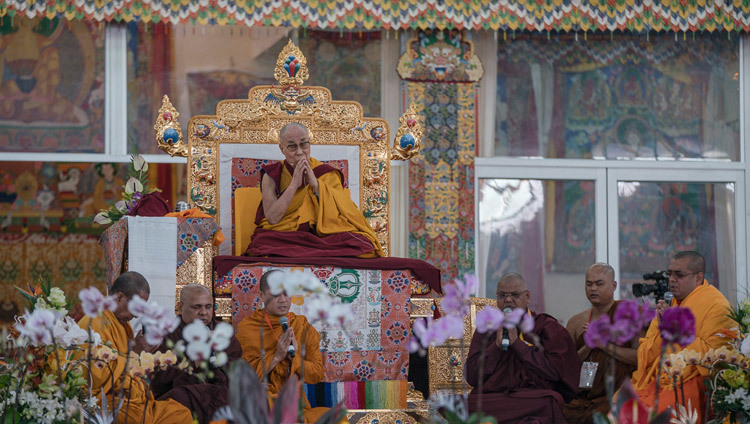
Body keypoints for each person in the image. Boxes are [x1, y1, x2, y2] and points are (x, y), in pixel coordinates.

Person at [245, 122, 384, 258]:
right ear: (282, 149)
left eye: (304, 145)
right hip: (288, 235)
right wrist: (294, 185)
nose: (299, 152)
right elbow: (272, 218)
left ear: (309, 144)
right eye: (292, 147)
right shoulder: (271, 176)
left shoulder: (326, 174)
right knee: (261, 241)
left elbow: (345, 213)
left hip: (321, 234)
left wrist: (316, 186)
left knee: (363, 244)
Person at [630, 251, 735, 423]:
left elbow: (716, 357)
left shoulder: (716, 306)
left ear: (698, 278)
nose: (672, 279)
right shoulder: (668, 305)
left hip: (693, 381)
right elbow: (645, 354)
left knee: (656, 413)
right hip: (660, 380)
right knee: (621, 404)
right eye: (669, 273)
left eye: (679, 275)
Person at [78, 272, 193, 424]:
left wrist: (143, 357)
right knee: (139, 419)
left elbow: (128, 367)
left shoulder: (122, 324)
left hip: (129, 398)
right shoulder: (96, 321)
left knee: (179, 412)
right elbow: (96, 375)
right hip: (103, 400)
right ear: (119, 297)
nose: (137, 315)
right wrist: (134, 353)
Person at [465, 272, 580, 424]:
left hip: (530, 399)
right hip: (494, 399)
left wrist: (518, 345)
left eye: (514, 295)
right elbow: (472, 376)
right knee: (463, 405)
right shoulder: (487, 329)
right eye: (502, 295)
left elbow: (555, 372)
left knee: (548, 402)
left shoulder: (545, 327)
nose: (508, 300)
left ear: (528, 297)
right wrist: (496, 347)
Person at [235, 270, 328, 422]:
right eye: (276, 294)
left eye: (287, 294)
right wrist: (277, 356)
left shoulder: (302, 326)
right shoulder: (247, 328)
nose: (283, 300)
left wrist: (295, 357)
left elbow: (317, 375)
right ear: (261, 295)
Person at [150, 285, 242, 424]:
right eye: (197, 307)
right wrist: (194, 361)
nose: (204, 312)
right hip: (182, 395)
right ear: (180, 307)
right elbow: (157, 378)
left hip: (219, 394)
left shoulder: (223, 333)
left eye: (208, 306)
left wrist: (218, 357)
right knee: (179, 399)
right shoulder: (167, 335)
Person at [563, 263, 638, 424]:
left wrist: (604, 345)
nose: (593, 289)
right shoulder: (576, 322)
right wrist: (588, 346)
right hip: (581, 397)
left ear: (614, 286)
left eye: (599, 283)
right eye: (589, 284)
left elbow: (640, 357)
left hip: (618, 394)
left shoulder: (629, 315)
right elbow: (566, 366)